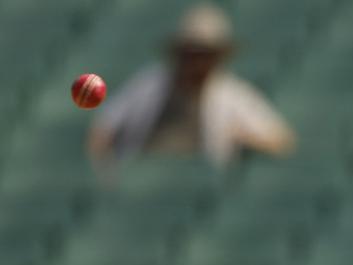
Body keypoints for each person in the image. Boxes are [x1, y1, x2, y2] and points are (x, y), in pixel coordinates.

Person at [87, 3, 295, 174]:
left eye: (205, 54)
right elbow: (104, 128)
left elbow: (280, 140)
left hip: (201, 185)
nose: (196, 62)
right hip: (142, 179)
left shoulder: (231, 94)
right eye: (192, 53)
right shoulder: (150, 83)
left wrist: (243, 138)